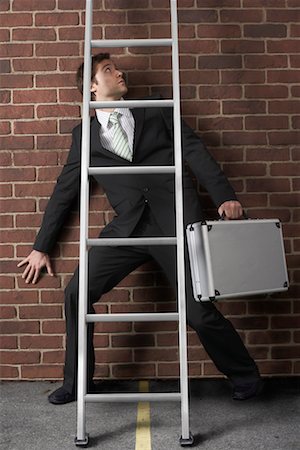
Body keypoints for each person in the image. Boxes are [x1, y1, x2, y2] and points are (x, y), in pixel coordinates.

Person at [18, 53, 263, 405]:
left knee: (198, 310)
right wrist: (41, 246)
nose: (119, 72)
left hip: (176, 223)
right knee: (76, 293)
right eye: (107, 70)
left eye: (115, 67)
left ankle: (246, 378)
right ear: (91, 86)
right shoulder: (83, 136)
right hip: (128, 229)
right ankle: (77, 383)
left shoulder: (158, 110)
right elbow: (65, 191)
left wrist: (225, 196)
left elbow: (195, 151)